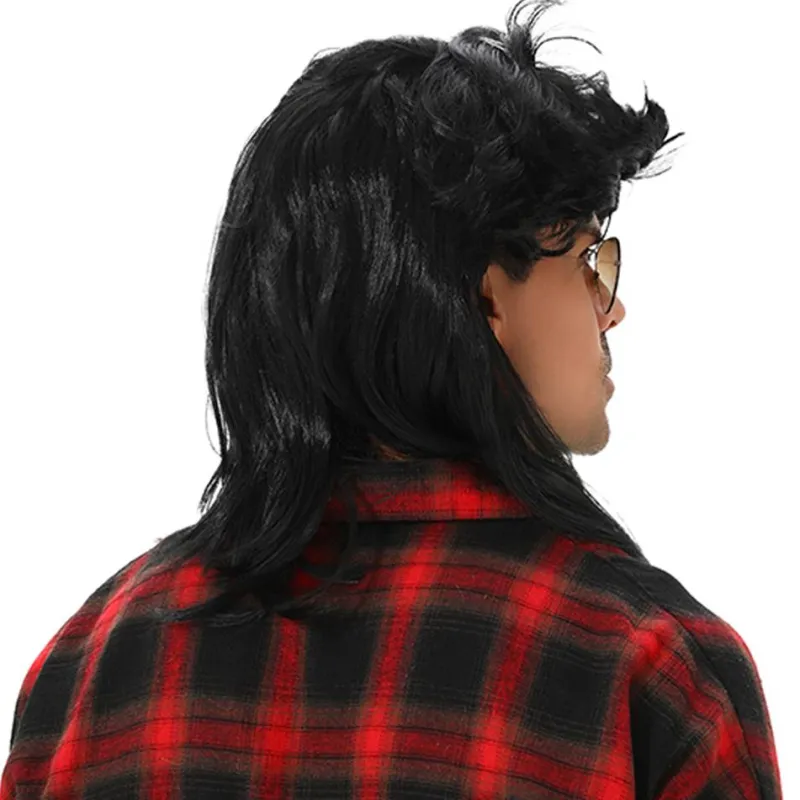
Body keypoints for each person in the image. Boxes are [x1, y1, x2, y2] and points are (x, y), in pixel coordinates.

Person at [1, 0, 783, 797]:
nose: (611, 310)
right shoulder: (651, 668)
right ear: (486, 298)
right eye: (585, 260)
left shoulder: (85, 669)